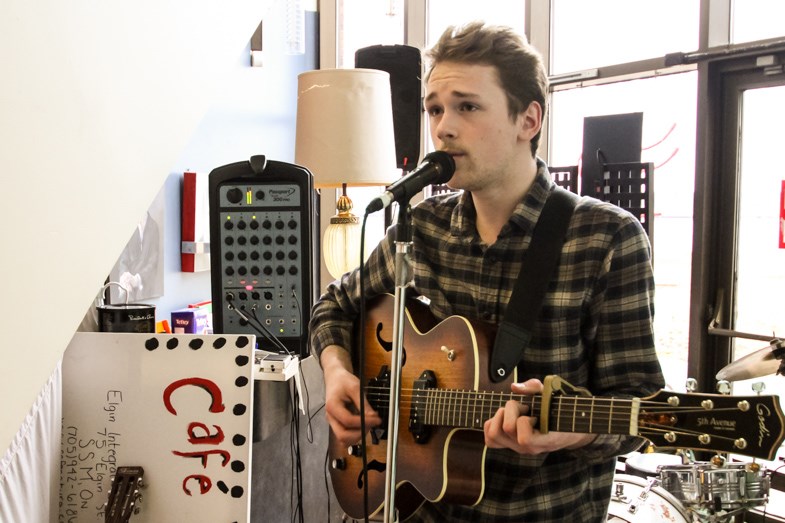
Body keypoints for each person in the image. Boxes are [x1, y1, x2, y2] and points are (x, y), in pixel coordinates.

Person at [309, 21, 665, 522]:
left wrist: (577, 428)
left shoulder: (606, 239)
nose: (442, 127)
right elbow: (334, 303)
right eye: (435, 108)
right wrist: (337, 372)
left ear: (529, 120)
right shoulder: (423, 227)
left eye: (467, 106)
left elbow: (642, 407)